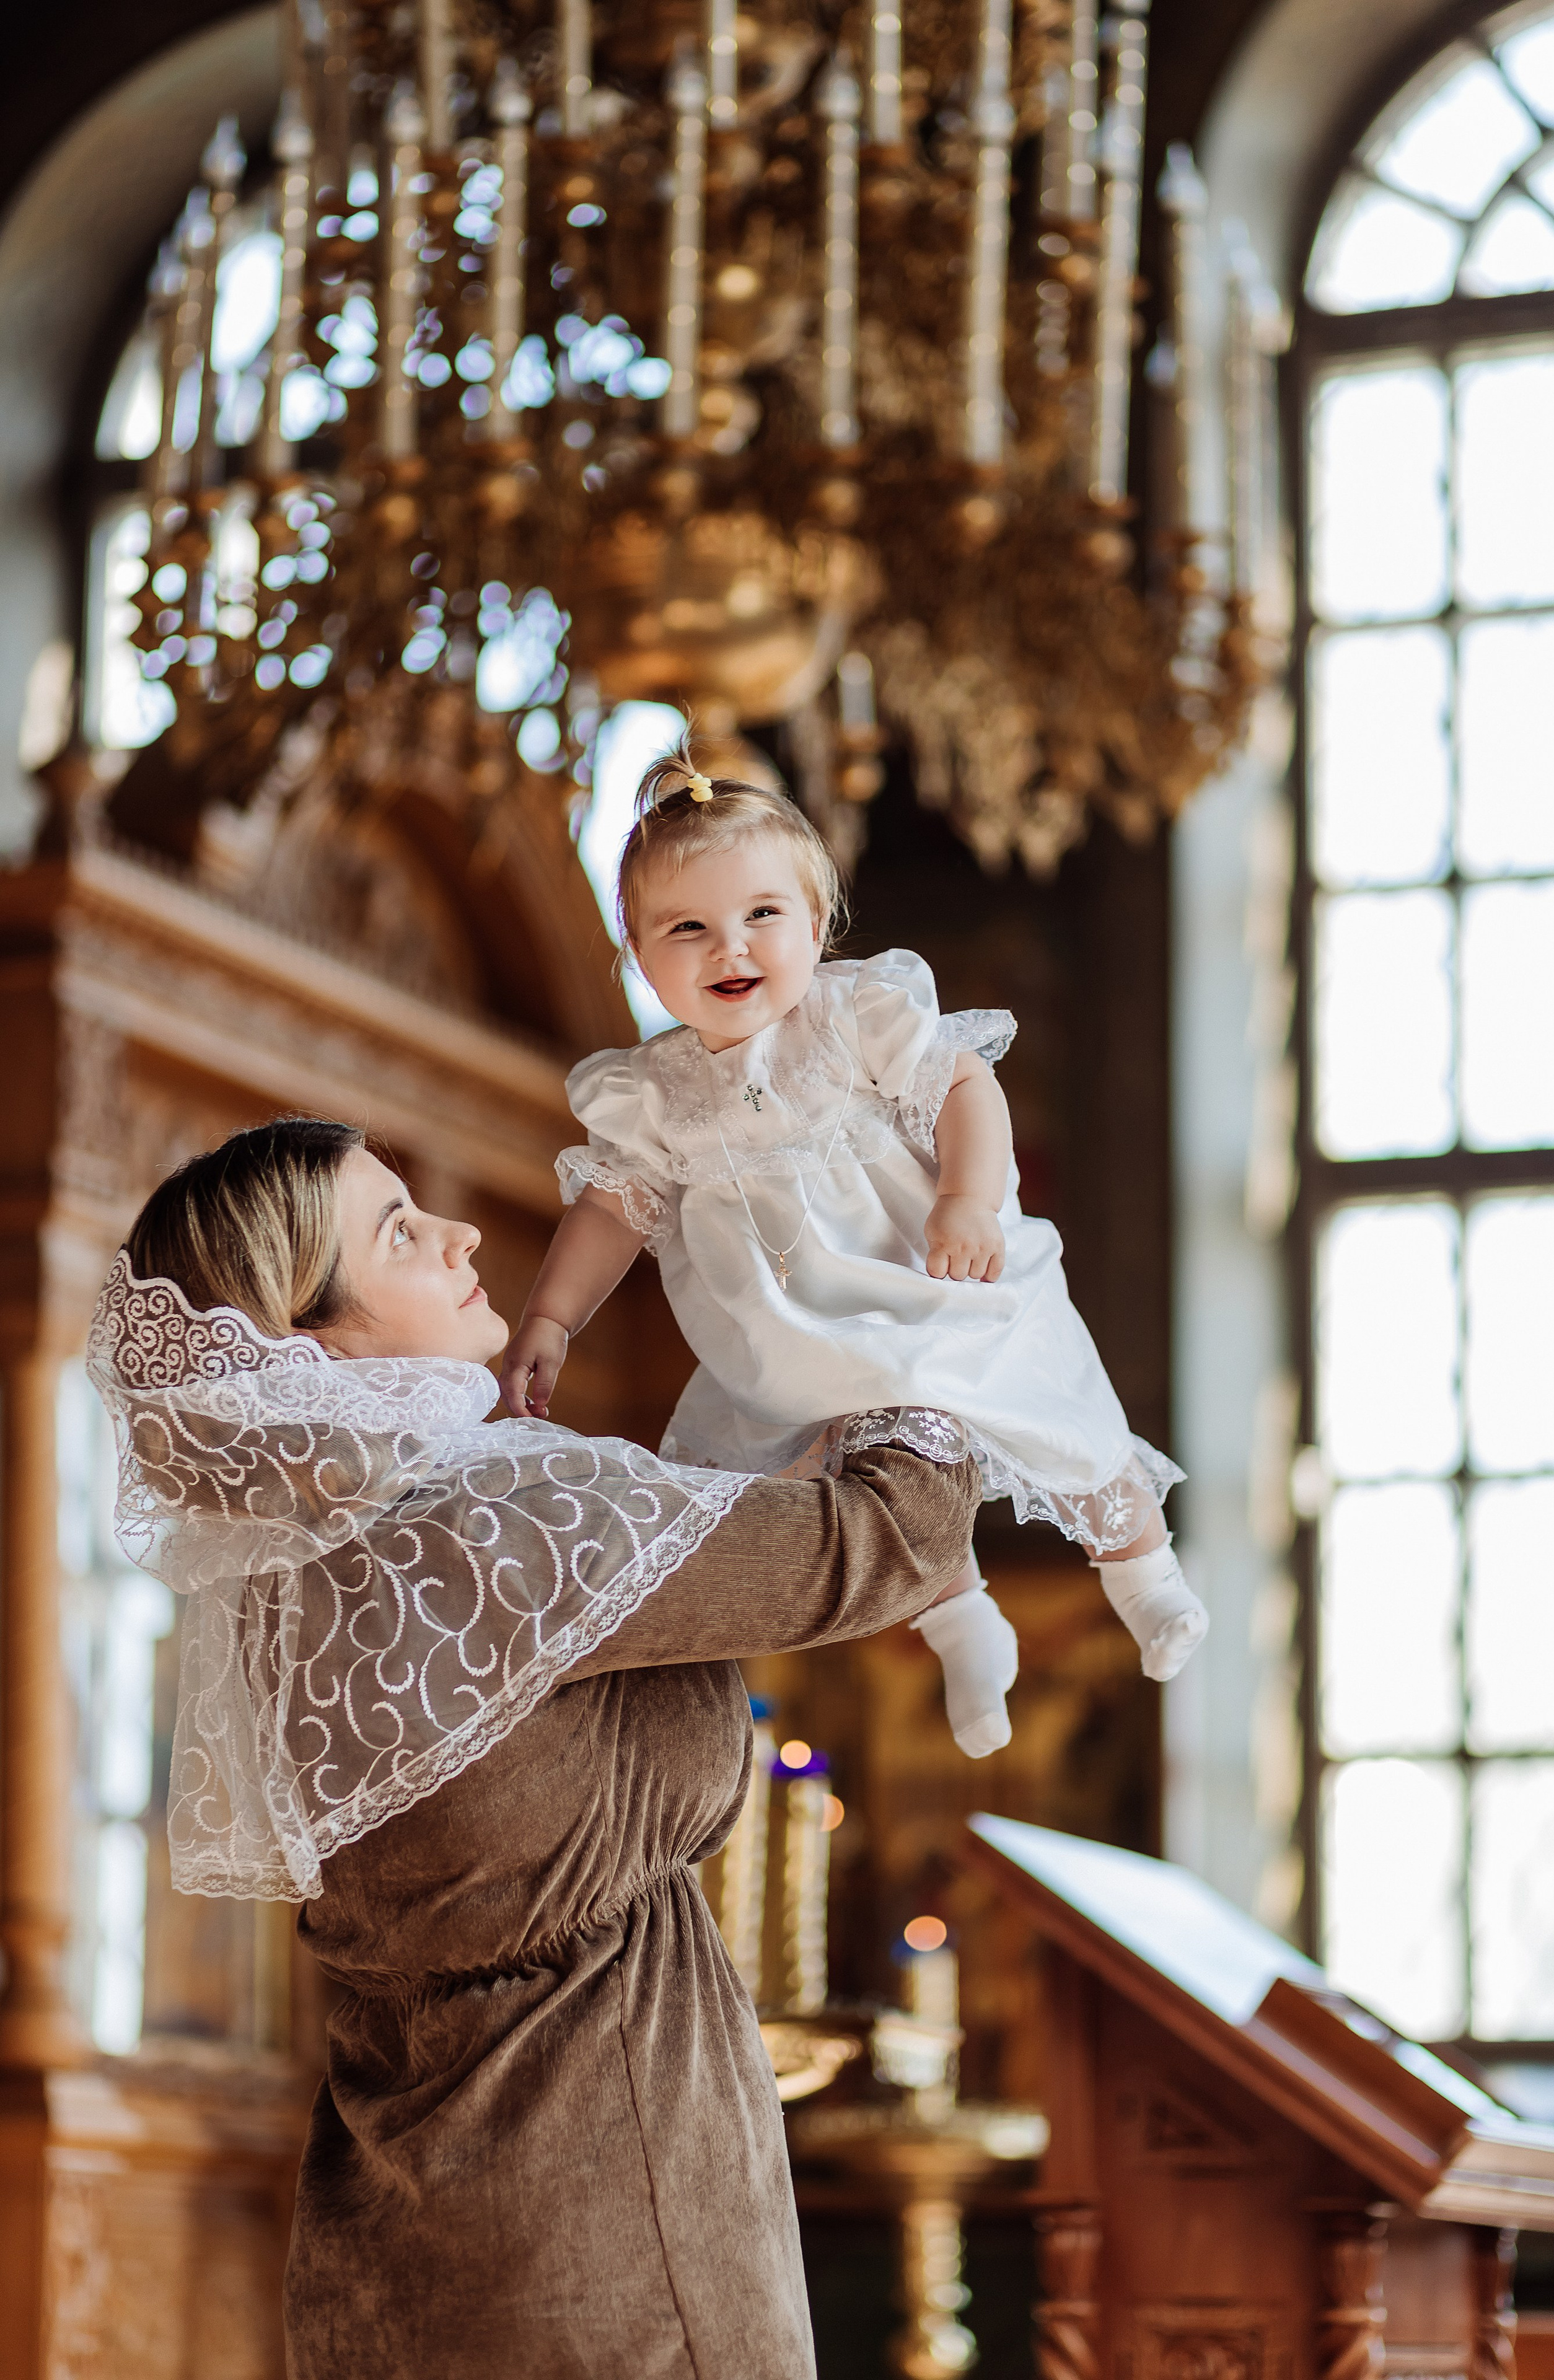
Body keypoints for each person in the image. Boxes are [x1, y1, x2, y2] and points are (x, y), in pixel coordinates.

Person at [86, 1115, 980, 2380]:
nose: (457, 1232)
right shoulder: (491, 1515)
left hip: (391, 2254)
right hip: (611, 2238)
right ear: (305, 1337)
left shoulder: (296, 1586)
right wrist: (911, 1296)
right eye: (398, 1230)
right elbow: (890, 1539)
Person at [502, 752, 1208, 1759]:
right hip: (796, 1330)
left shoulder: (851, 1015)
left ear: (817, 918)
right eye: (687, 928)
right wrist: (550, 1317)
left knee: (1043, 1395)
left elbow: (966, 1086)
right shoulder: (652, 1092)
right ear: (637, 952)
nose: (728, 947)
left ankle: (1146, 1576)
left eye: (760, 916)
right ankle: (963, 1624)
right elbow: (614, 1207)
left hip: (922, 1272)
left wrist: (966, 1196)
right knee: (867, 1483)